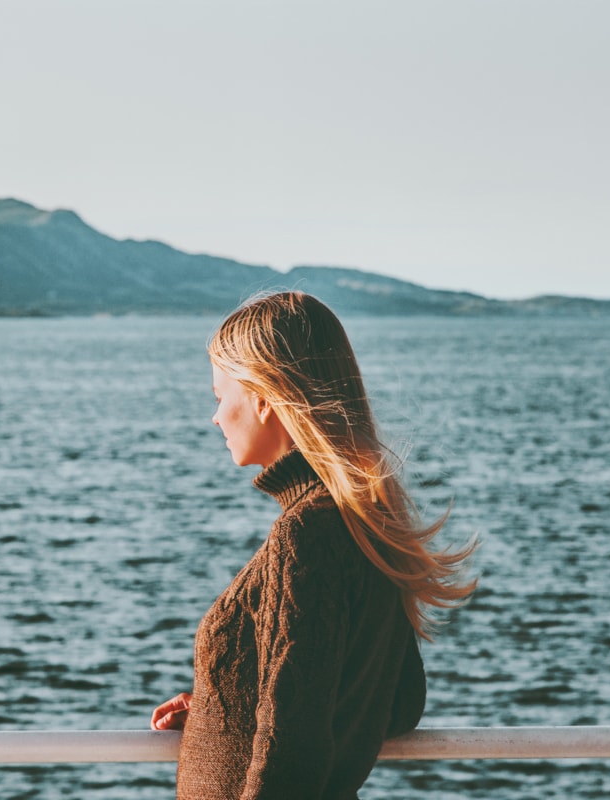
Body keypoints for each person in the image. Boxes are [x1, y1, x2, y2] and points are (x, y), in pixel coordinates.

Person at [151, 291, 474, 799]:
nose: (215, 417)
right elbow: (397, 703)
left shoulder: (304, 536)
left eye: (220, 395)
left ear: (263, 396)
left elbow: (292, 749)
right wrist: (225, 705)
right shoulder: (361, 521)